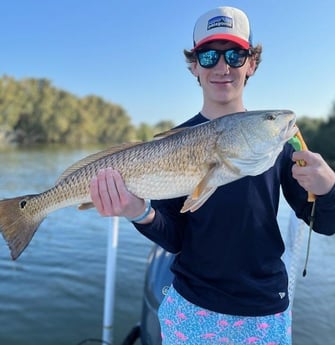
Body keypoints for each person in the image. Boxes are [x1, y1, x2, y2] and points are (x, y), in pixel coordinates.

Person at [90, 6, 335, 345]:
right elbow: (174, 238)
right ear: (194, 65)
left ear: (251, 64)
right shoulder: (172, 143)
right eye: (209, 56)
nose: (223, 67)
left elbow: (324, 223)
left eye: (235, 55)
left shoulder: (278, 143)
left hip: (264, 310)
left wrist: (329, 189)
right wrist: (138, 211)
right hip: (191, 307)